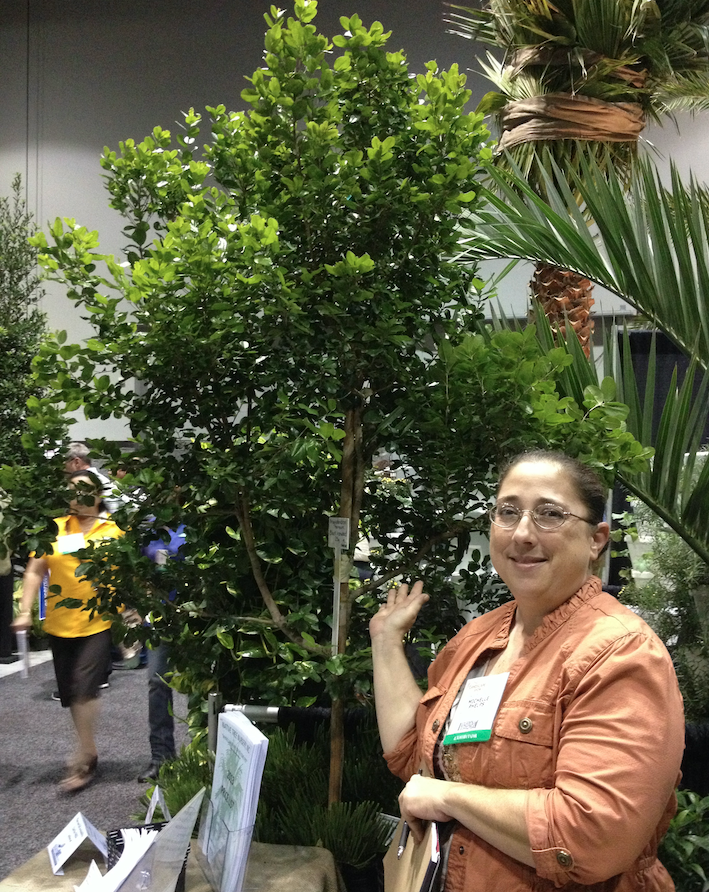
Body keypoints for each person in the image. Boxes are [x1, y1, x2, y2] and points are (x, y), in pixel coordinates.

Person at [370, 450, 684, 891]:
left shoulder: (620, 654)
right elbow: (413, 753)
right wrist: (384, 642)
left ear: (596, 539)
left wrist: (448, 796)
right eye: (508, 512)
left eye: (549, 514)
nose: (522, 534)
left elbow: (591, 836)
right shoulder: (479, 637)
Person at [11, 471, 125, 792]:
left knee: (85, 685)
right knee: (71, 692)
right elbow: (35, 571)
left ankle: (85, 756)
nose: (78, 497)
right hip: (60, 623)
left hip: (99, 621)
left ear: (99, 497)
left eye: (85, 491)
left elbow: (129, 575)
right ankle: (88, 747)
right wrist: (23, 610)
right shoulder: (55, 529)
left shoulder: (115, 532)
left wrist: (132, 610)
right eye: (73, 491)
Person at [137, 523, 186, 782]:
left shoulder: (202, 517)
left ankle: (209, 754)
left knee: (204, 688)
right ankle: (161, 757)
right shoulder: (149, 526)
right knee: (157, 682)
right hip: (160, 618)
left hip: (202, 616)